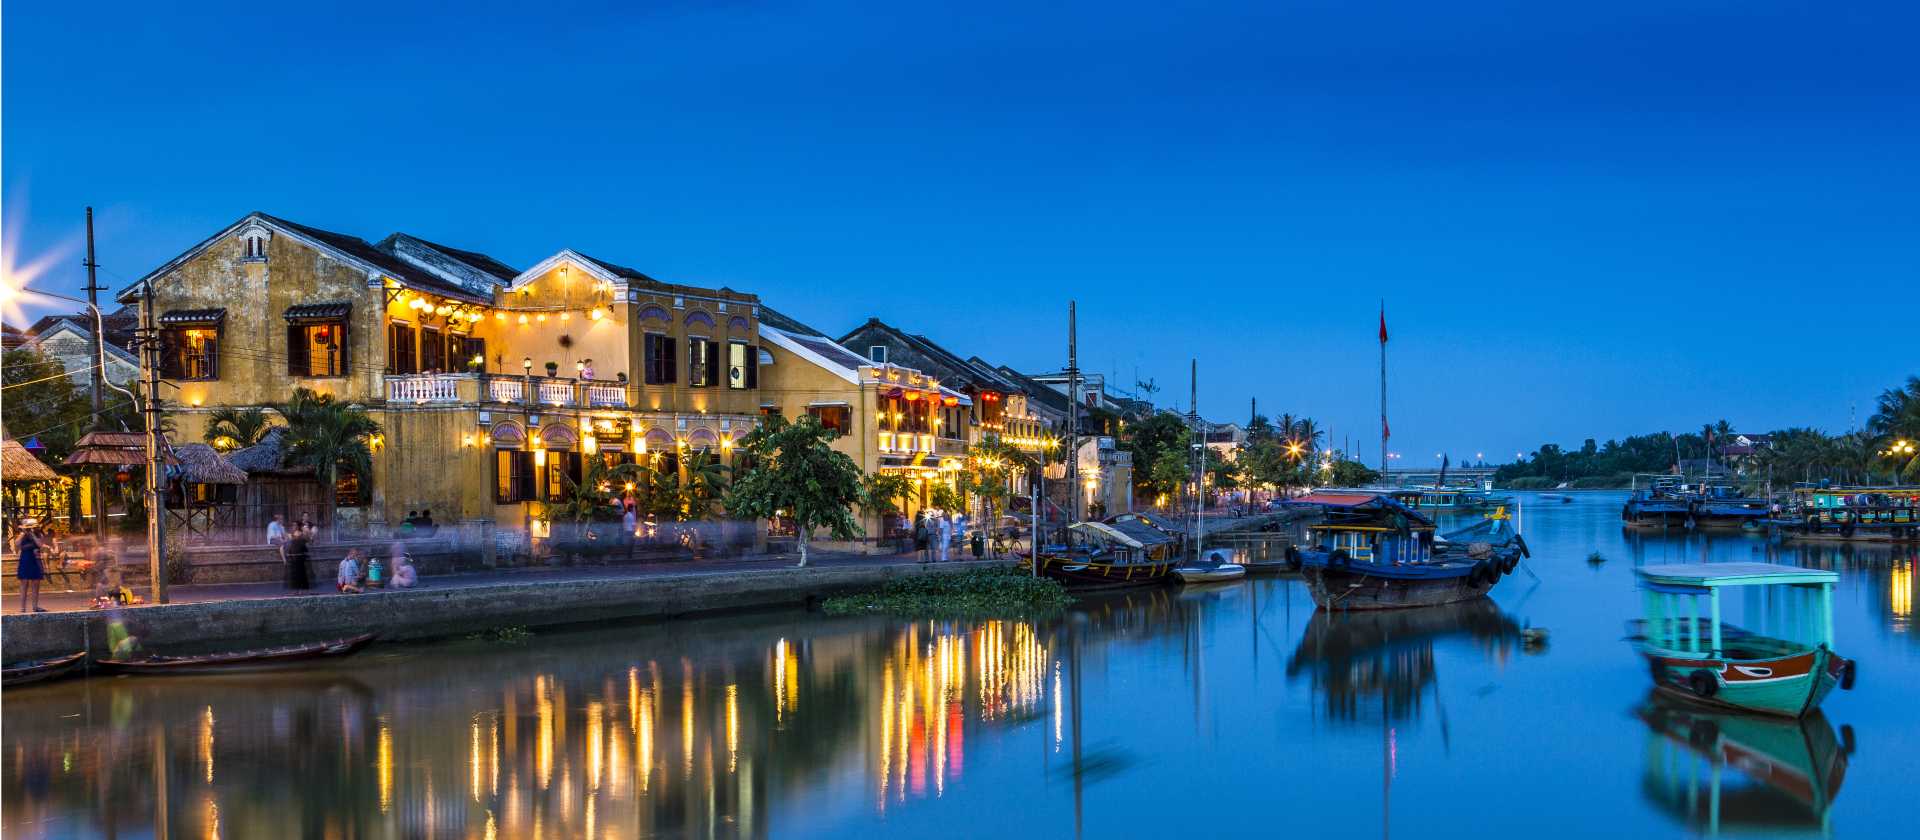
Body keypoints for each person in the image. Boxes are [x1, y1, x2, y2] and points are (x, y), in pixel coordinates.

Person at [11, 520, 47, 613]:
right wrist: (24, 533)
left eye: (33, 527)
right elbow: (17, 544)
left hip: (35, 560)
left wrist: (33, 535)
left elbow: (40, 545)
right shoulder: (22, 535)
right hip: (25, 559)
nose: (32, 529)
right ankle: (22, 608)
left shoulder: (39, 535)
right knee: (24, 584)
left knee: (36, 583)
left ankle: (35, 606)